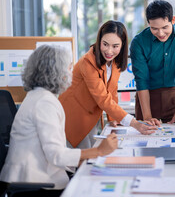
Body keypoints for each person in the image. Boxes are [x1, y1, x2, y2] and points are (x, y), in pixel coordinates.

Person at [0, 45, 118, 195]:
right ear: (57, 73)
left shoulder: (38, 96)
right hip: (36, 185)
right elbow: (56, 155)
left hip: (34, 176)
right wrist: (98, 151)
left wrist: (86, 157)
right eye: (68, 68)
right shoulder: (44, 103)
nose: (71, 73)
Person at [59, 20, 158, 149]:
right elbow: (103, 99)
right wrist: (134, 123)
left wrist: (113, 118)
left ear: (122, 45)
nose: (109, 51)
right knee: (79, 159)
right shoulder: (87, 62)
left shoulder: (114, 62)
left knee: (89, 154)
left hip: (90, 117)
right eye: (105, 44)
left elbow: (112, 92)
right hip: (73, 115)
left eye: (115, 46)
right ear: (99, 41)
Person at [130, 0, 175, 125]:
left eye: (165, 27)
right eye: (154, 28)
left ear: (173, 20)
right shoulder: (138, 42)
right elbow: (141, 80)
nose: (160, 33)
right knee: (145, 139)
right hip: (147, 99)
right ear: (148, 23)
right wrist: (147, 116)